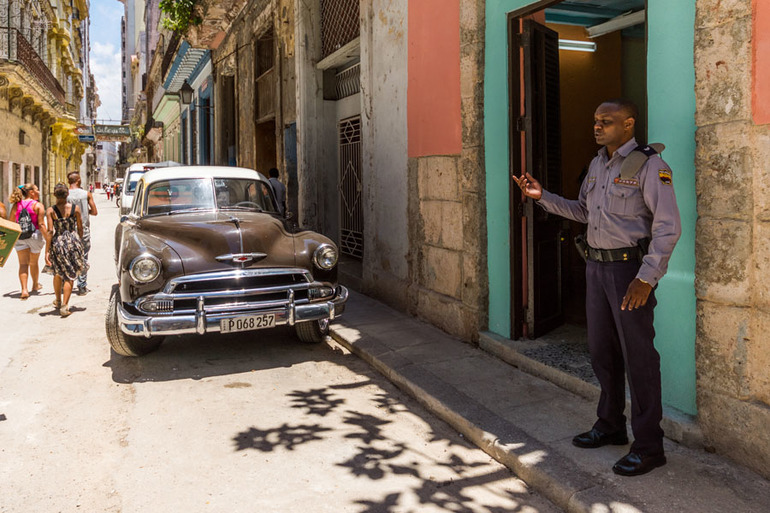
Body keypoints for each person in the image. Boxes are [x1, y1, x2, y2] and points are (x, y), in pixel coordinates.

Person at [514, 99, 681, 477]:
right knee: (601, 353)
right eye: (595, 120)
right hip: (596, 269)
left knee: (639, 358)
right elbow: (584, 213)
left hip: (629, 275)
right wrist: (544, 198)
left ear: (629, 124)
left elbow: (668, 227)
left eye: (606, 121)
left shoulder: (649, 165)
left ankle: (649, 446)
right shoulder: (596, 164)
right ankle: (610, 425)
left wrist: (646, 278)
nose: (598, 126)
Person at [45, 183, 87, 317]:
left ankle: (57, 300)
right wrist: (78, 241)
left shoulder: (51, 211)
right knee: (70, 274)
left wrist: (47, 250)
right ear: (67, 194)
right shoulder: (75, 209)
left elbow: (50, 231)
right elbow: (80, 228)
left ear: (54, 195)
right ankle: (65, 306)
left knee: (58, 272)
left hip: (58, 242)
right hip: (72, 241)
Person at [7, 184, 48, 300]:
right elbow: (41, 224)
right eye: (37, 189)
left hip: (20, 236)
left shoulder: (16, 205)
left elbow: (11, 222)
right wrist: (48, 238)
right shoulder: (38, 205)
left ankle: (24, 290)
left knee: (23, 264)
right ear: (31, 192)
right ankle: (35, 285)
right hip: (34, 236)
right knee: (33, 263)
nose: (39, 191)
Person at [67, 172, 98, 295]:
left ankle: (68, 283)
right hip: (83, 230)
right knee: (83, 257)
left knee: (69, 257)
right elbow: (95, 212)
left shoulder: (65, 194)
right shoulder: (86, 194)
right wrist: (85, 212)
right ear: (79, 180)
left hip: (68, 231)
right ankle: (82, 286)